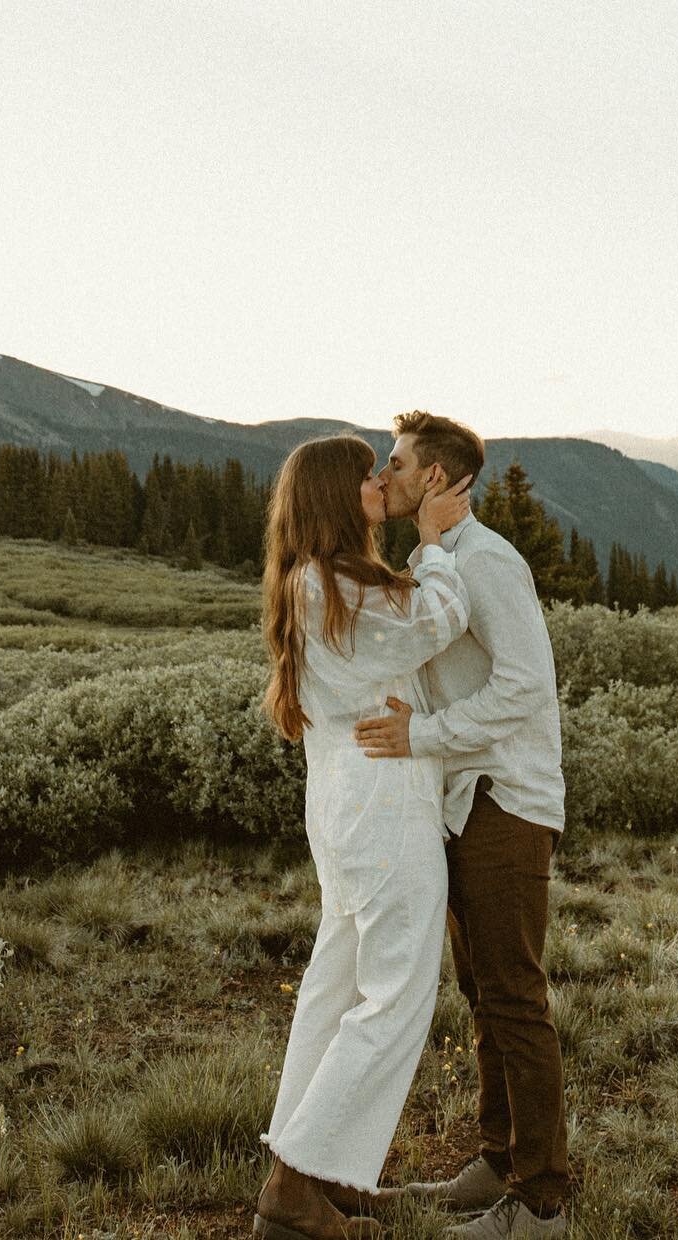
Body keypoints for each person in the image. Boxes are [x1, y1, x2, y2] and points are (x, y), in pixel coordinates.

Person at [255, 433, 474, 1240]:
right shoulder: (334, 586)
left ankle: (310, 1168)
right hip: (381, 812)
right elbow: (437, 623)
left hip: (346, 810)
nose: (383, 480)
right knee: (394, 991)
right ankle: (296, 1185)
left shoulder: (310, 581)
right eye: (368, 474)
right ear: (337, 496)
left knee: (338, 985)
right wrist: (436, 544)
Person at [355, 410, 567, 1239]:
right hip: (462, 800)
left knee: (514, 993)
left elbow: (524, 688)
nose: (388, 473)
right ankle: (496, 1162)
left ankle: (544, 1201)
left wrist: (424, 738)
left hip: (506, 800)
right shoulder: (432, 560)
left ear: (435, 478)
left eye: (399, 463)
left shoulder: (489, 562)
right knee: (483, 989)